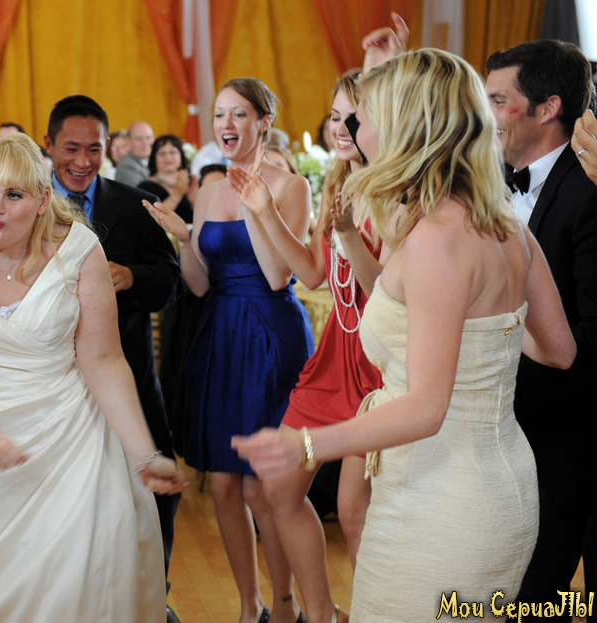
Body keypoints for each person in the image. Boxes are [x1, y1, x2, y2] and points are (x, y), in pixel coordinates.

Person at [233, 48, 576, 620]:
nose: (353, 127)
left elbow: (426, 409)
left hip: (443, 499)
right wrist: (480, 356)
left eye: (363, 115)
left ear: (404, 125)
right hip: (501, 483)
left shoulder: (437, 237)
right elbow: (558, 350)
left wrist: (306, 444)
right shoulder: (507, 227)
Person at [0, 133, 185, 622]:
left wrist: (142, 453)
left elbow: (104, 358)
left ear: (44, 201)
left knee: (71, 585)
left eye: (14, 195)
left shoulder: (79, 248)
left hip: (67, 440)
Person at [146, 77, 313, 623]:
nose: (226, 125)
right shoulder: (210, 188)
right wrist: (184, 237)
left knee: (264, 486)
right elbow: (199, 285)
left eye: (238, 114)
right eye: (219, 114)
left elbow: (276, 275)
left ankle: (285, 605)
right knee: (221, 484)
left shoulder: (290, 186)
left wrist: (258, 208)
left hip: (270, 333)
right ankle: (248, 605)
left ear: (263, 122)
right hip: (220, 332)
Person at [226, 70, 380, 623]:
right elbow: (313, 275)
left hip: (379, 367)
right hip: (333, 359)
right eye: (334, 117)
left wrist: (348, 235)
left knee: (352, 511)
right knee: (278, 489)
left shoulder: (397, 191)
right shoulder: (338, 184)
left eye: (353, 118)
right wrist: (264, 211)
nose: (340, 128)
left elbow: (390, 293)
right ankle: (320, 614)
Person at [42, 95, 183, 622]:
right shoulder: (26, 201)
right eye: (71, 149)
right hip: (53, 382)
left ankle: (152, 595)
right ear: (49, 144)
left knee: (152, 491)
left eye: (94, 149)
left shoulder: (135, 203)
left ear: (110, 147)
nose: (82, 161)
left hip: (129, 374)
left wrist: (132, 276)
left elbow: (168, 281)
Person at [484, 40, 597, 620]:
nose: (486, 115)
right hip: (507, 432)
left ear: (548, 107)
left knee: (538, 597)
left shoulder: (588, 192)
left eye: (498, 101)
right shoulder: (492, 181)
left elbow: (590, 335)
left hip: (567, 436)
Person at [139, 134, 197, 224]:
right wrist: (177, 194)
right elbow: (151, 220)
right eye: (162, 153)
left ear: (181, 156)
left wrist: (194, 201)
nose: (168, 157)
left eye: (172, 152)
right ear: (154, 158)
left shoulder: (191, 182)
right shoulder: (145, 187)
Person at [116, 121, 154, 186]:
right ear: (128, 141)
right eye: (139, 139)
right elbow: (142, 190)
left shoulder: (155, 161)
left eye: (148, 138)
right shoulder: (127, 166)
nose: (145, 142)